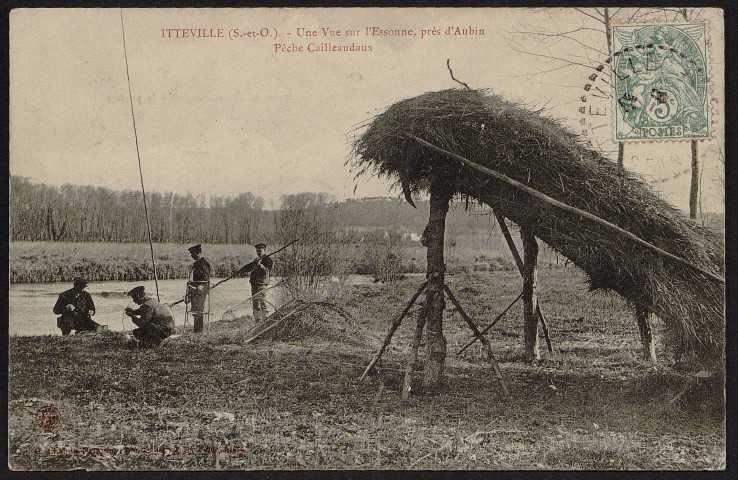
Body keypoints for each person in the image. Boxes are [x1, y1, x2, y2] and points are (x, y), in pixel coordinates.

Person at [186, 244, 211, 333]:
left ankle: (198, 331)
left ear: (199, 253)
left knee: (198, 310)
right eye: (191, 254)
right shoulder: (197, 263)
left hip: (200, 291)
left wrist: (201, 287)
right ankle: (196, 330)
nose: (192, 256)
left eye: (193, 254)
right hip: (194, 290)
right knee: (195, 310)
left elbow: (206, 278)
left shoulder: (203, 263)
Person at [248, 243, 273, 323]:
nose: (258, 252)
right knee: (255, 305)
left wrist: (260, 265)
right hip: (254, 284)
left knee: (263, 304)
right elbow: (249, 268)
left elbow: (266, 272)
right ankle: (257, 322)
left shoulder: (268, 260)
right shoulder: (256, 260)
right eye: (257, 250)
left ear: (264, 250)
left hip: (262, 285)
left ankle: (265, 322)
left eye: (260, 250)